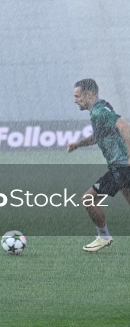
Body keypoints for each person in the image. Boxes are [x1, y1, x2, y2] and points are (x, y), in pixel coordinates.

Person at [67, 78, 130, 252]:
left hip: (122, 165)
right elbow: (100, 135)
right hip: (121, 165)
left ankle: (104, 237)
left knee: (88, 199)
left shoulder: (99, 111)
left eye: (78, 96)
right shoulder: (101, 108)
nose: (75, 100)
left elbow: (124, 126)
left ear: (90, 94)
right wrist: (78, 144)